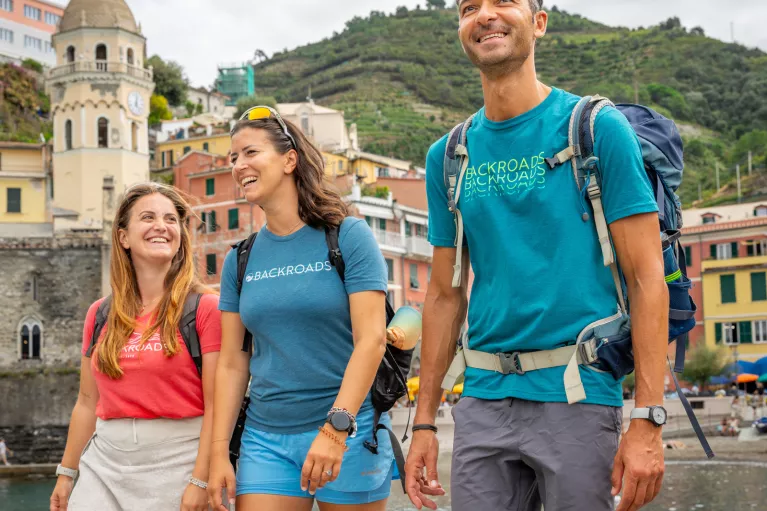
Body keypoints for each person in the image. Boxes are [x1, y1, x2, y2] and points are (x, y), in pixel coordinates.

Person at [405, 2, 668, 511]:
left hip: (577, 393)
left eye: (503, 2)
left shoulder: (595, 128)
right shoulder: (449, 156)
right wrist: (423, 422)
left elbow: (646, 277)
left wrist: (648, 417)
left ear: (539, 23)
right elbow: (443, 294)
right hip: (481, 398)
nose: (485, 15)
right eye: (468, 8)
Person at [207, 106, 393, 511]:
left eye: (250, 152)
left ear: (290, 160)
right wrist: (219, 452)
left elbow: (372, 340)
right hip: (264, 437)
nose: (239, 165)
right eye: (233, 158)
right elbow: (232, 364)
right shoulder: (240, 259)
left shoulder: (347, 236)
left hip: (348, 430)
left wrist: (335, 429)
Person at [49, 183, 222, 511]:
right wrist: (66, 472)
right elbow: (87, 402)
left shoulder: (205, 308)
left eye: (171, 219)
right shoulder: (100, 314)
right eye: (148, 217)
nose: (162, 226)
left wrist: (200, 480)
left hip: (179, 462)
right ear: (124, 237)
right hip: (104, 465)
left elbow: (218, 406)